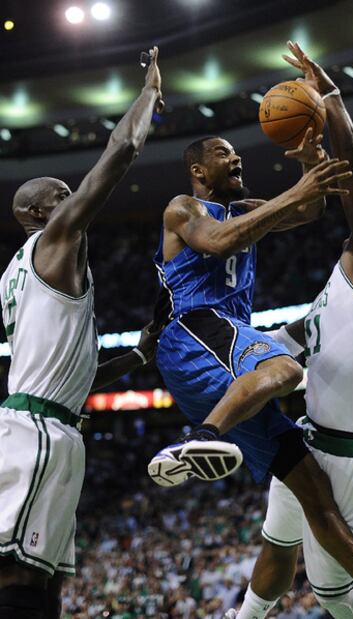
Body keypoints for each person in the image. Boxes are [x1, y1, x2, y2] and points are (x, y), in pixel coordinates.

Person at [148, 124, 353, 614]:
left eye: (236, 154)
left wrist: (309, 166)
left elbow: (309, 209)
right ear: (198, 169)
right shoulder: (182, 208)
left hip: (229, 356)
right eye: (224, 154)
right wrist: (294, 193)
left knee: (314, 491)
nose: (237, 159)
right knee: (287, 369)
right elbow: (219, 242)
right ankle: (201, 435)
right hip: (195, 332)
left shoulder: (246, 212)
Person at [224, 42, 353, 619]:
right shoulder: (332, 292)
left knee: (335, 592)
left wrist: (329, 100)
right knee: (277, 541)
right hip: (311, 442)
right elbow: (279, 346)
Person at [0, 48, 162, 619]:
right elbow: (120, 153)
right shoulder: (51, 244)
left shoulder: (24, 275)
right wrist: (148, 95)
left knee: (43, 580)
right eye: (63, 198)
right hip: (39, 431)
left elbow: (68, 371)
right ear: (37, 215)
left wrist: (138, 357)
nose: (76, 203)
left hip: (45, 422)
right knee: (20, 574)